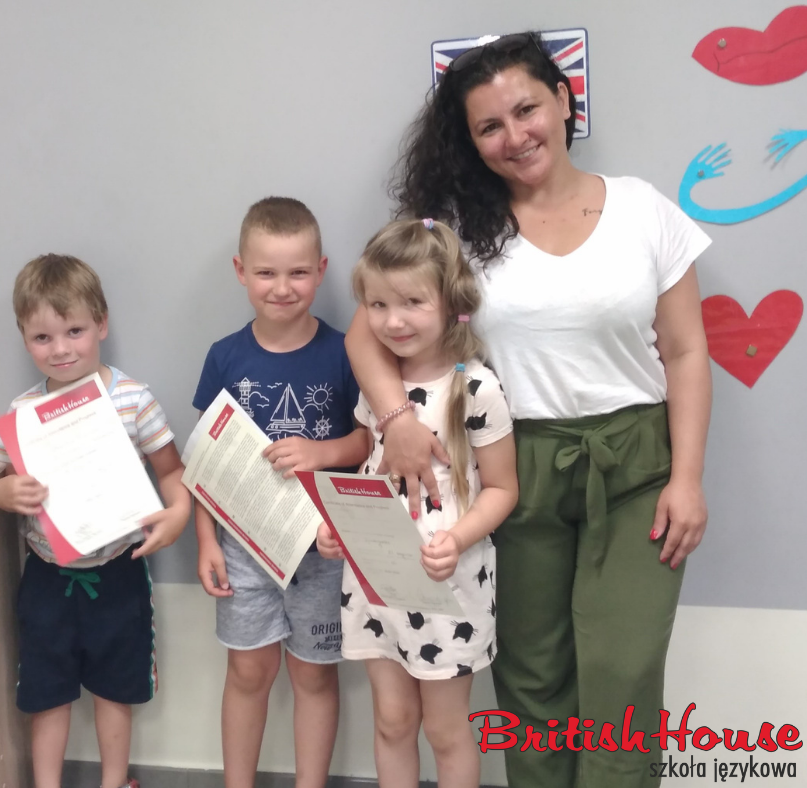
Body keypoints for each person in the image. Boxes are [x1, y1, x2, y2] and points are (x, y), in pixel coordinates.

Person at [345, 33, 713, 788]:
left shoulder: (643, 208)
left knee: (623, 667)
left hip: (636, 466)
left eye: (526, 110)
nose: (514, 136)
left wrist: (688, 479)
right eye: (489, 126)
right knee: (532, 671)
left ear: (564, 100)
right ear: (470, 140)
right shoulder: (453, 229)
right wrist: (397, 420)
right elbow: (366, 331)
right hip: (511, 469)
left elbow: (685, 352)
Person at [318, 218, 517, 788]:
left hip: (449, 586)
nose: (393, 321)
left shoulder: (476, 388)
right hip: (377, 582)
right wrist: (340, 527)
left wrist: (457, 539)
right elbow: (369, 458)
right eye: (378, 304)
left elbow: (503, 488)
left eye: (412, 302)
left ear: (451, 302)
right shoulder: (377, 385)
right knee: (392, 721)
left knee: (446, 732)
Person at [0, 254, 192, 788]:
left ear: (101, 324)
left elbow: (173, 473)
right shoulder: (22, 412)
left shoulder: (132, 399)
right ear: (24, 338)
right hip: (46, 575)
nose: (60, 349)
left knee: (115, 688)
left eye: (74, 331)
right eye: (42, 337)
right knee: (45, 692)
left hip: (119, 570)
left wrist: (177, 514)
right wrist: (6, 492)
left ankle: (114, 781)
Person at [192, 197, 369, 788]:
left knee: (315, 676)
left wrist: (320, 452)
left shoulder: (345, 352)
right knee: (247, 674)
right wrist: (205, 541)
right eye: (266, 272)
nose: (283, 287)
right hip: (243, 548)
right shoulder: (224, 357)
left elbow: (369, 440)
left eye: (298, 272)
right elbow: (206, 462)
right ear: (241, 271)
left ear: (321, 271)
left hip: (323, 548)